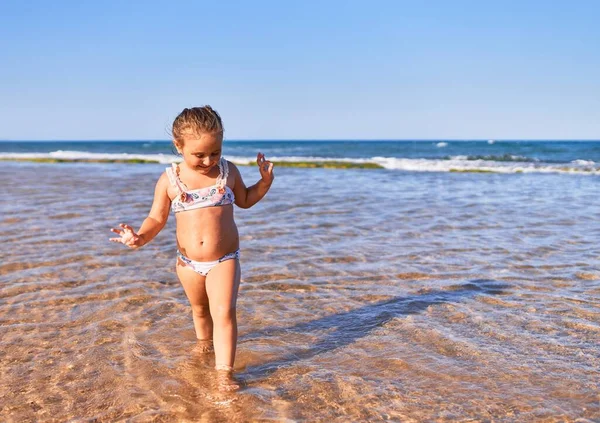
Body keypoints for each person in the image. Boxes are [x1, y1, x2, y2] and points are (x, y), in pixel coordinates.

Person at [109, 106, 274, 391]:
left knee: (223, 311)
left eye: (215, 152)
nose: (208, 160)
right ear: (179, 146)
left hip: (224, 259)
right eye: (199, 155)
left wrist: (265, 182)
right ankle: (203, 344)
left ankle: (224, 374)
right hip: (187, 263)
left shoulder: (227, 172)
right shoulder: (170, 180)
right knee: (199, 310)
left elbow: (245, 200)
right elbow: (156, 219)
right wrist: (139, 238)